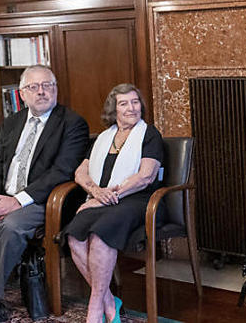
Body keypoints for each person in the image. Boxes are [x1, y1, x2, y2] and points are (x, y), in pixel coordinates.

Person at [0, 65, 89, 323]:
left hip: (41, 201)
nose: (42, 92)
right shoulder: (12, 122)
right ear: (22, 93)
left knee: (11, 225)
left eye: (48, 85)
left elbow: (62, 171)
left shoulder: (72, 123)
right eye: (34, 87)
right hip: (3, 195)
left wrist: (16, 201)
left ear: (56, 89)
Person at [64, 84, 165, 323]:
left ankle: (95, 308)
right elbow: (80, 172)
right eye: (124, 103)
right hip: (104, 200)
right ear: (114, 109)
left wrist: (109, 197)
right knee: (74, 235)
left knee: (100, 234)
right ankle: (110, 301)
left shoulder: (149, 134)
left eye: (135, 102)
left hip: (140, 200)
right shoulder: (103, 138)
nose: (131, 108)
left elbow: (146, 176)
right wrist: (96, 193)